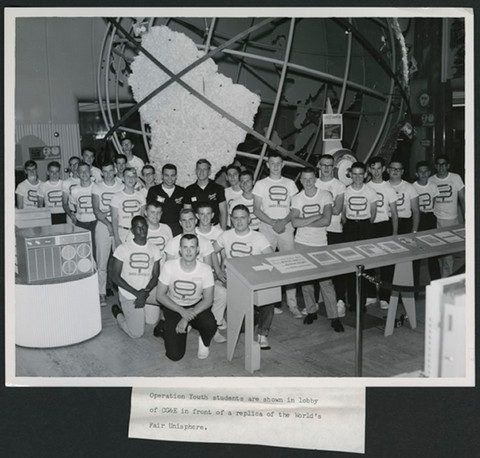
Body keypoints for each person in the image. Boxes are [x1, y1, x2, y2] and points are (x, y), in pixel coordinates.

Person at [213, 204, 275, 349]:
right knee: (242, 329)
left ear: (249, 220)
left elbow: (271, 257)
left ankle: (262, 334)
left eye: (243, 218)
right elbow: (210, 251)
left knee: (269, 295)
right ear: (231, 220)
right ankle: (253, 314)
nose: (239, 221)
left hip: (254, 279)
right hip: (233, 281)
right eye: (235, 218)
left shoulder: (258, 237)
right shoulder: (226, 235)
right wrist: (218, 270)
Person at [291, 167, 344, 331]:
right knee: (306, 281)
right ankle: (311, 311)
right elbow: (294, 223)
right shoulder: (297, 198)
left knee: (326, 282)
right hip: (301, 242)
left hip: (320, 243)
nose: (308, 182)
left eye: (311, 179)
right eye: (304, 179)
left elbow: (327, 220)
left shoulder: (325, 195)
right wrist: (316, 216)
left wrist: (304, 220)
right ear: (300, 180)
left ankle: (334, 316)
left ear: (316, 179)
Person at [163, 208, 227, 343]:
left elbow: (209, 269)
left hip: (200, 284)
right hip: (179, 286)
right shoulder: (173, 243)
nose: (188, 224)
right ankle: (190, 320)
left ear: (196, 220)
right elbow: (168, 273)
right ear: (180, 223)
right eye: (184, 221)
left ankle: (213, 327)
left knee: (221, 293)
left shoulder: (204, 242)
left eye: (191, 219)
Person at [253, 151, 301, 318]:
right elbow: (256, 209)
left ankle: (292, 304)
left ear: (283, 165)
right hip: (267, 228)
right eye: (271, 163)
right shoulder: (260, 184)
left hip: (286, 227)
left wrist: (283, 221)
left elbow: (295, 208)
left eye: (278, 163)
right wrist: (273, 223)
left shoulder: (290, 184)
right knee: (267, 267)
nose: (275, 166)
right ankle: (269, 304)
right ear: (267, 164)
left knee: (290, 265)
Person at [156, 234, 217, 361]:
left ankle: (204, 342)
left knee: (210, 324)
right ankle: (166, 328)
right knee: (174, 356)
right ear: (180, 250)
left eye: (192, 247)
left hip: (196, 306)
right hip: (175, 306)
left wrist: (186, 317)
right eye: (185, 247)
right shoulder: (169, 266)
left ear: (198, 250)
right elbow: (160, 295)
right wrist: (182, 311)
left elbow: (208, 300)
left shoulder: (205, 269)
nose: (188, 251)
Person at [111, 216, 161, 339]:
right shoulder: (123, 248)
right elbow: (115, 277)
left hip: (146, 292)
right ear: (132, 231)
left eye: (144, 227)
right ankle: (118, 314)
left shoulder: (154, 249)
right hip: (129, 293)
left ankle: (136, 313)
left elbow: (156, 276)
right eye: (138, 228)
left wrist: (145, 292)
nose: (141, 230)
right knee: (136, 333)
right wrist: (136, 293)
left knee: (151, 322)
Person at [342, 162, 377, 311]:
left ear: (365, 175)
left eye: (360, 174)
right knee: (351, 264)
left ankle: (361, 303)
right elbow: (343, 213)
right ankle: (352, 301)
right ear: (350, 174)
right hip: (350, 227)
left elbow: (373, 213)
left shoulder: (370, 191)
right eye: (354, 174)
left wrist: (364, 224)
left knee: (364, 266)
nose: (357, 177)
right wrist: (349, 224)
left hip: (365, 227)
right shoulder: (346, 191)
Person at [315, 154, 347, 314]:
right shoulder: (312, 182)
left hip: (334, 230)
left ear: (333, 167)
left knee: (337, 267)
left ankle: (340, 301)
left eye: (329, 165)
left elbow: (337, 209)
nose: (326, 168)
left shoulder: (339, 185)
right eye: (323, 165)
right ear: (319, 166)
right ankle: (314, 303)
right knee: (316, 268)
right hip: (315, 232)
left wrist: (318, 210)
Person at [366, 156, 399, 308]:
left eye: (379, 168)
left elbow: (394, 212)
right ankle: (371, 294)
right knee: (369, 262)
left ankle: (385, 296)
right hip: (370, 226)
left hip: (384, 226)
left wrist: (394, 234)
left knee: (387, 264)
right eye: (373, 168)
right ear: (369, 169)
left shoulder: (388, 188)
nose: (376, 171)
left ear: (384, 169)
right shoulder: (366, 186)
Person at [92, 161, 124, 306]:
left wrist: (115, 226)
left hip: (119, 227)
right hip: (103, 227)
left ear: (115, 171)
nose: (108, 174)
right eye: (105, 171)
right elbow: (97, 211)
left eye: (111, 170)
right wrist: (109, 225)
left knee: (121, 261)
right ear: (102, 173)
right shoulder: (97, 186)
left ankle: (124, 294)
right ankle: (101, 293)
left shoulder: (121, 185)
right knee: (102, 262)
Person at [429, 154, 465, 277]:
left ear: (448, 166)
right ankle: (444, 280)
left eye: (444, 164)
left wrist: (466, 218)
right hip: (437, 220)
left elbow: (462, 198)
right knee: (441, 255)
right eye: (439, 164)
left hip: (453, 220)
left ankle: (447, 280)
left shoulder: (456, 178)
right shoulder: (431, 180)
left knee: (450, 254)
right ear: (435, 166)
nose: (441, 167)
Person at [412, 161, 441, 283]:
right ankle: (415, 287)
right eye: (421, 171)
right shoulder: (412, 187)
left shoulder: (433, 186)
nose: (423, 174)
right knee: (416, 254)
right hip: (418, 218)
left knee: (432, 253)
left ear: (429, 173)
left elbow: (433, 203)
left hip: (430, 218)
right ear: (416, 173)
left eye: (426, 171)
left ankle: (436, 283)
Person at [184, 158, 227, 229]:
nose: (201, 172)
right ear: (196, 171)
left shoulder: (218, 188)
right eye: (199, 169)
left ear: (209, 172)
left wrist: (223, 231)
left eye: (204, 169)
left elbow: (223, 212)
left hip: (215, 227)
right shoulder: (189, 190)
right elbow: (187, 214)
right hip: (196, 228)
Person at [110, 167, 146, 248]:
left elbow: (143, 217)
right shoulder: (116, 197)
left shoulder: (140, 195)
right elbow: (114, 219)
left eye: (133, 176)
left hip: (137, 232)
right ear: (123, 178)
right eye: (128, 176)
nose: (131, 179)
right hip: (122, 232)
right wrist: (116, 238)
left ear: (136, 178)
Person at [146, 163, 186, 236]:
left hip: (177, 229)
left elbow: (186, 212)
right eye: (166, 175)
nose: (170, 179)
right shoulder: (154, 190)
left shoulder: (182, 191)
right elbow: (148, 212)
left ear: (176, 176)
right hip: (158, 228)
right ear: (162, 176)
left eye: (172, 175)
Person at [69, 162, 97, 259]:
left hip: (95, 222)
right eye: (81, 171)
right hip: (81, 223)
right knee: (82, 251)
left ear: (90, 172)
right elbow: (76, 207)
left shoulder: (97, 187)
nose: (84, 173)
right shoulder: (74, 190)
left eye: (86, 171)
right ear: (77, 173)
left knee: (96, 250)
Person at [388, 158, 419, 234]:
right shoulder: (383, 186)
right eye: (393, 169)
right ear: (388, 170)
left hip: (405, 223)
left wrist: (414, 231)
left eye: (398, 169)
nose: (395, 171)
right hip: (387, 223)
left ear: (402, 172)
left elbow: (415, 211)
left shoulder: (410, 187)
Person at [62, 156, 81, 224]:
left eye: (76, 164)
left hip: (85, 215)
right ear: (69, 167)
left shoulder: (86, 180)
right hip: (72, 215)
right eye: (71, 165)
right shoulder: (66, 183)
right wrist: (71, 216)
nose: (74, 167)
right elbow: (64, 203)